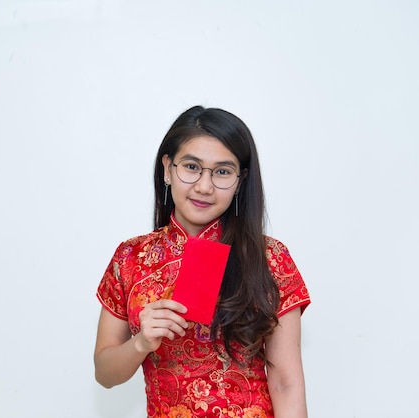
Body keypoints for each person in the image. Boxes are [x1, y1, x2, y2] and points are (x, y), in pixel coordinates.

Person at [94, 106, 311, 418]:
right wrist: (141, 342)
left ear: (240, 180)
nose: (204, 186)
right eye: (192, 167)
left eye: (222, 171)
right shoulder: (131, 257)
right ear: (168, 168)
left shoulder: (269, 258)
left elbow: (286, 382)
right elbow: (105, 373)